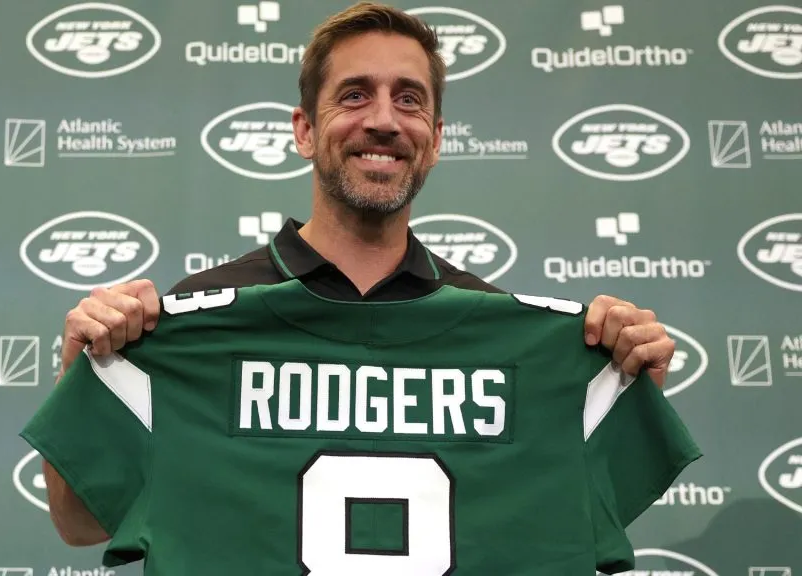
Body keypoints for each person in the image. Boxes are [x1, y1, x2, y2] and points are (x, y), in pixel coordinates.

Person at [39, 1, 679, 551]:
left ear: (434, 137)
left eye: (409, 99)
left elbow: (573, 519)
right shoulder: (194, 317)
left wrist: (619, 386)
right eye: (353, 95)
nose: (382, 120)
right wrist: (83, 364)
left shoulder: (512, 336)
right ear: (305, 130)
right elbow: (80, 523)